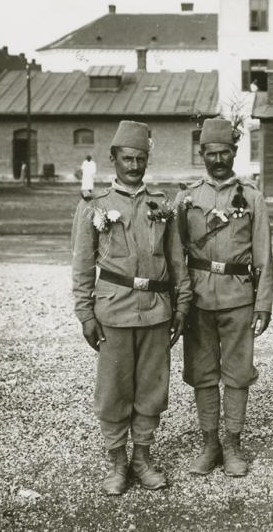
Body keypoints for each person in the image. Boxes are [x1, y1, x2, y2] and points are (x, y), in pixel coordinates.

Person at [71, 120, 192, 495]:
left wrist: (182, 305)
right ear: (113, 159)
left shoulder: (161, 205)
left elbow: (176, 261)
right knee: (113, 391)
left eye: (141, 159)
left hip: (156, 310)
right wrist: (85, 314)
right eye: (127, 158)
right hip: (114, 311)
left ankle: (142, 457)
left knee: (151, 389)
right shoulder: (96, 206)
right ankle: (117, 464)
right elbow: (81, 265)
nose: (135, 166)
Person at [175, 117, 273, 478]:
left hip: (238, 298)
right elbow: (176, 254)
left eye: (225, 153)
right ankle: (209, 443)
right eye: (211, 153)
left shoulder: (251, 197)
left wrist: (263, 302)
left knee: (237, 374)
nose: (218, 159)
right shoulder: (186, 198)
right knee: (202, 374)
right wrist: (180, 302)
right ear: (201, 154)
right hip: (199, 298)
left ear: (234, 153)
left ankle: (232, 443)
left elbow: (264, 254)